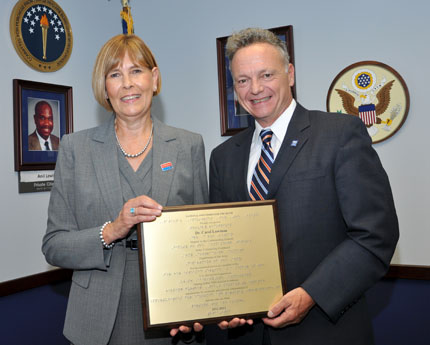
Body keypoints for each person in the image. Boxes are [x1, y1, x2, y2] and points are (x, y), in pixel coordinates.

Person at [206, 28, 399, 345]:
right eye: (242, 80)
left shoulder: (340, 134)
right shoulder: (223, 157)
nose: (255, 89)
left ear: (289, 73)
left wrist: (311, 294)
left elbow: (375, 234)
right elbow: (223, 247)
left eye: (266, 74)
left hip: (325, 330)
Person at [42, 34, 208, 345]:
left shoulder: (189, 145)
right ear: (105, 87)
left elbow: (201, 240)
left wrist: (201, 305)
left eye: (137, 71)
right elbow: (54, 245)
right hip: (98, 318)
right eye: (115, 74)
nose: (128, 84)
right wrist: (112, 229)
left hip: (173, 313)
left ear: (154, 79)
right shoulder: (76, 149)